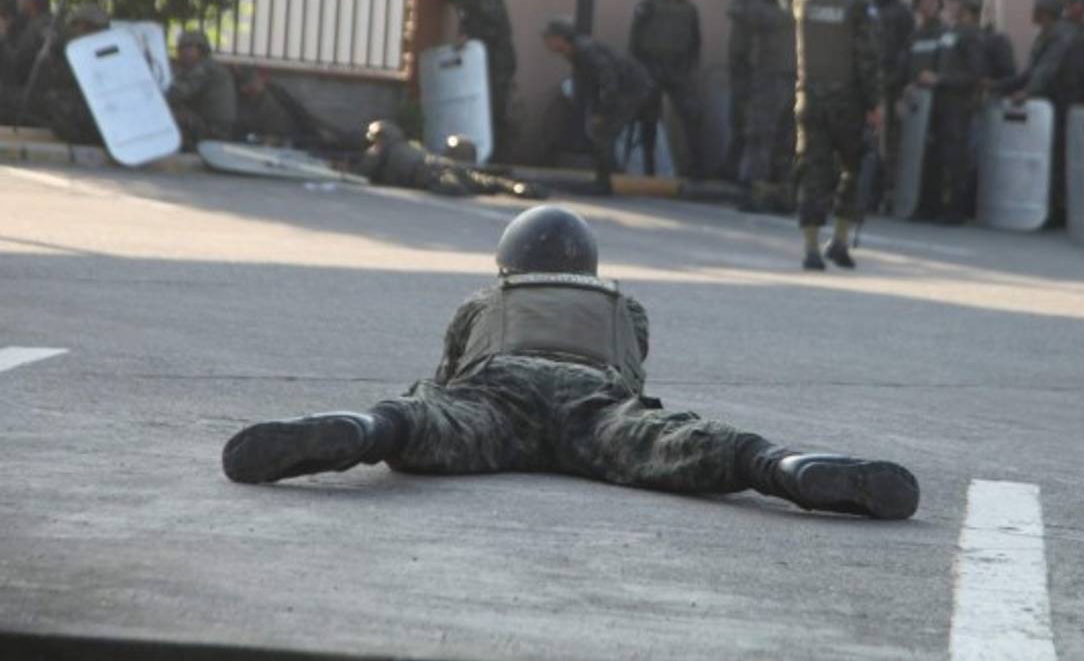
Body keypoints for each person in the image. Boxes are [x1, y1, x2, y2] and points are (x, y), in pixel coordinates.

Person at [221, 205, 920, 521]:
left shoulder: (486, 300)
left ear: (510, 264)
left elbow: (448, 376)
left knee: (414, 420)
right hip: (592, 407)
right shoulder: (627, 307)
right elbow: (633, 381)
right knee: (684, 442)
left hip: (498, 397)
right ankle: (785, 466)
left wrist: (429, 413)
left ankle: (353, 430)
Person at [791, 0, 882, 271]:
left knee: (812, 171)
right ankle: (840, 241)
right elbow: (867, 59)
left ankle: (811, 248)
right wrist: (875, 103)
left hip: (809, 100)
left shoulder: (802, 1)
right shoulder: (857, 7)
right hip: (848, 103)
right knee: (854, 168)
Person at [542, 17, 653, 195]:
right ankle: (610, 177)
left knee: (602, 131)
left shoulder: (585, 50)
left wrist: (603, 111)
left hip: (631, 88)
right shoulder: (577, 51)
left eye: (549, 38)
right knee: (599, 130)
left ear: (561, 39)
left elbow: (608, 79)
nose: (546, 43)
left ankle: (606, 182)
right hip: (624, 87)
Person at [996, 0, 1079, 221]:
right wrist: (999, 85)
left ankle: (1054, 210)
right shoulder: (1047, 34)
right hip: (1048, 102)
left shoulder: (1061, 36)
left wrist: (1027, 92)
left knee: (1053, 156)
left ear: (1044, 11)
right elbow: (1031, 72)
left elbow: (1046, 70)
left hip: (1058, 103)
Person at [428, 0, 518, 163]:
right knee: (483, 107)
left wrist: (469, 36)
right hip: (483, 63)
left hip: (497, 62)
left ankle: (499, 159)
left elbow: (494, 26)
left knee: (495, 109)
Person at [914, 0, 986, 225]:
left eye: (956, 2)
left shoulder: (972, 35)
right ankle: (930, 205)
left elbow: (974, 76)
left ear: (967, 7)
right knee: (934, 155)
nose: (951, 6)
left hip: (957, 105)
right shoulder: (950, 32)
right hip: (939, 103)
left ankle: (954, 209)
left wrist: (941, 79)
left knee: (954, 158)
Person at [630, 0, 704, 179]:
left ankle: (695, 169)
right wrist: (640, 68)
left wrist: (688, 68)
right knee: (649, 120)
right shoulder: (648, 4)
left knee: (692, 115)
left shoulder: (690, 9)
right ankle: (649, 168)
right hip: (651, 66)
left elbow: (695, 42)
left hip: (677, 68)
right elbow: (635, 38)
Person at [358, 120, 544, 199]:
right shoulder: (411, 145)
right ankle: (516, 187)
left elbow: (364, 172)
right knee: (483, 180)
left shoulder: (380, 150)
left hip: (428, 172)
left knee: (453, 186)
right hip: (440, 164)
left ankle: (516, 188)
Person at [737, 0, 797, 213]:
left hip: (775, 80)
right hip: (779, 79)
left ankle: (763, 192)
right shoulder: (792, 10)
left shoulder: (770, 11)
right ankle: (779, 192)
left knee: (767, 137)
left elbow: (744, 10)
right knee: (776, 139)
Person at [892, 0, 946, 218]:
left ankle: (929, 204)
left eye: (933, 1)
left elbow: (946, 68)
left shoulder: (945, 34)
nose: (929, 5)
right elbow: (903, 69)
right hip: (914, 103)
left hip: (937, 103)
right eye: (924, 1)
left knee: (934, 155)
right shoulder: (914, 36)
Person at [871, 0, 915, 213]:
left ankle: (885, 191)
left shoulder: (903, 12)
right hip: (867, 80)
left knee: (888, 144)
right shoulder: (868, 6)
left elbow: (906, 50)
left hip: (890, 84)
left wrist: (896, 80)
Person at [31, 3, 110, 144]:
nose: (78, 30)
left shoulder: (103, 52)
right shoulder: (71, 48)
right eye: (76, 26)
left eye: (83, 26)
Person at [723, 0, 763, 181]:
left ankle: (737, 171)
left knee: (741, 121)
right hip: (747, 67)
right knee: (741, 121)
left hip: (745, 68)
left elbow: (733, 11)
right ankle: (734, 168)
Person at [167, 30, 237, 148]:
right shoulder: (209, 66)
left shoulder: (204, 69)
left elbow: (177, 93)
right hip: (214, 126)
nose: (183, 53)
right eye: (181, 48)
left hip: (215, 130)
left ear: (201, 50)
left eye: (189, 48)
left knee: (170, 114)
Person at [0, 0, 54, 90]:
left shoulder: (36, 28)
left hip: (26, 97)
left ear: (31, 1)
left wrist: (3, 36)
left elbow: (16, 66)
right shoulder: (46, 22)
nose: (18, 0)